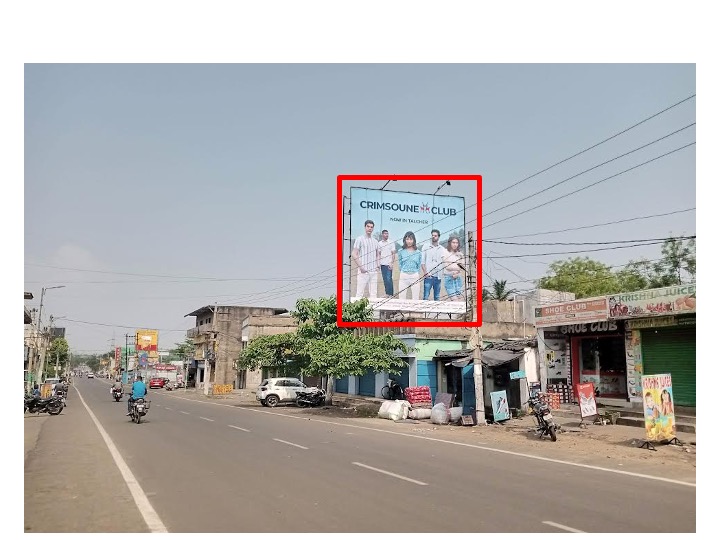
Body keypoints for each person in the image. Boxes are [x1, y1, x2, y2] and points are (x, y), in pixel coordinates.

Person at [352, 219, 381, 299]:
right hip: (363, 271)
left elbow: (378, 254)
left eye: (371, 227)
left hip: (373, 272)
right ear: (365, 227)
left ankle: (374, 311)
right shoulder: (359, 239)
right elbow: (354, 254)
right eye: (368, 226)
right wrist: (361, 267)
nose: (369, 228)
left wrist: (378, 266)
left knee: (373, 294)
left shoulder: (375, 241)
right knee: (359, 293)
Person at [421, 229, 447, 301]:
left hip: (438, 277)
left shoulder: (442, 249)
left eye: (435, 236)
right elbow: (422, 262)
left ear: (438, 237)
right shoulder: (426, 246)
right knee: (426, 296)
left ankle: (436, 312)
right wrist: (425, 273)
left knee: (437, 297)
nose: (433, 237)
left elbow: (444, 262)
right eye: (432, 235)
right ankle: (424, 311)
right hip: (428, 276)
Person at [397, 231, 422, 300]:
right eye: (407, 239)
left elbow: (419, 265)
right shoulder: (401, 251)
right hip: (403, 275)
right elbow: (400, 263)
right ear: (405, 240)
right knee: (401, 297)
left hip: (414, 275)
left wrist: (416, 273)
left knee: (415, 297)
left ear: (414, 240)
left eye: (411, 239)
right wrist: (403, 270)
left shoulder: (418, 253)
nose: (409, 241)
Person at [442, 235, 465, 301]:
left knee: (459, 299)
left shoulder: (460, 254)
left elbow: (462, 266)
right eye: (453, 242)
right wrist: (457, 267)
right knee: (455, 300)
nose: (455, 244)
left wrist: (457, 271)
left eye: (456, 243)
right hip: (449, 278)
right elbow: (447, 266)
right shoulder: (445, 252)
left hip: (458, 278)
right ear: (450, 243)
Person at [377, 229, 396, 297]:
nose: (386, 235)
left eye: (387, 234)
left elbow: (393, 253)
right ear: (382, 235)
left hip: (389, 264)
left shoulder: (391, 242)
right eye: (385, 233)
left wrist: (392, 263)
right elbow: (379, 254)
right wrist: (378, 263)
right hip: (382, 264)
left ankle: (391, 294)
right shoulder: (379, 243)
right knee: (385, 279)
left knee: (389, 279)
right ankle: (387, 294)